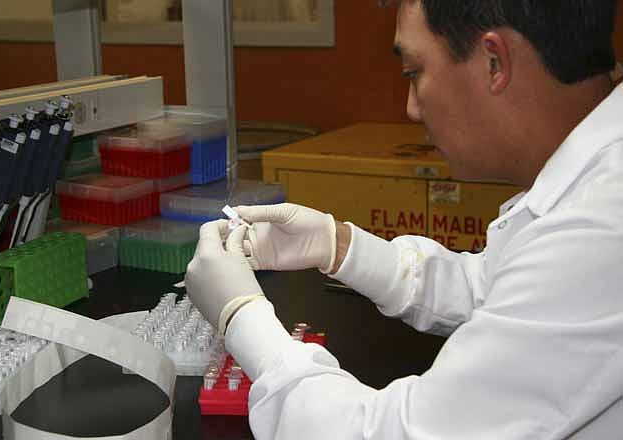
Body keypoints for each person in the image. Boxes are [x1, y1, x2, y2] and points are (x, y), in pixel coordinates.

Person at [185, 0, 623, 438]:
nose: (412, 108)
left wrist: (244, 319)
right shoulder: (595, 183)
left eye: (415, 73)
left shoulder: (601, 225)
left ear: (495, 61)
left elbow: (394, 433)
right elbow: (495, 291)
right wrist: (337, 245)